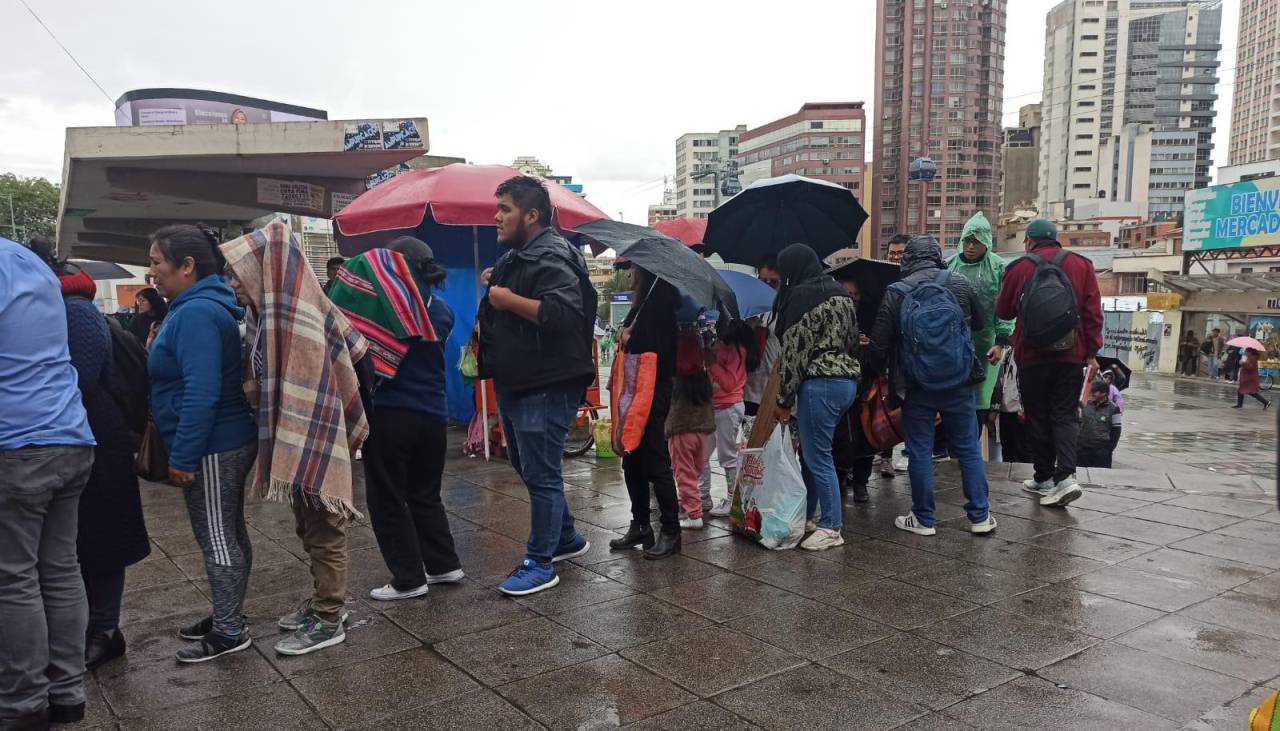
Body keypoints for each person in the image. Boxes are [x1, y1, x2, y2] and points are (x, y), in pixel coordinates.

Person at [221, 222, 371, 656]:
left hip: (318, 434)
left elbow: (326, 383)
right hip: (298, 435)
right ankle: (324, 600)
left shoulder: (298, 313)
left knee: (325, 528)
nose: (233, 282)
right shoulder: (265, 316)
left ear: (265, 271)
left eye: (239, 272)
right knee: (308, 524)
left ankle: (330, 616)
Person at [478, 175, 595, 596]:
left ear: (531, 215)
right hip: (519, 379)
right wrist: (498, 285)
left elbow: (562, 314)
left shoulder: (552, 253)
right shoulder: (520, 255)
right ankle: (565, 537)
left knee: (542, 473)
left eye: (505, 209)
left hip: (546, 381)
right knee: (526, 466)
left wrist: (506, 299)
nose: (497, 217)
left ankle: (540, 562)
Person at [34, 254, 151, 673]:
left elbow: (79, 379)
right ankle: (90, 627)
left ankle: (105, 629)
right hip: (76, 433)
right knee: (79, 542)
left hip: (98, 438)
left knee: (104, 539)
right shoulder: (54, 309)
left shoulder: (77, 310)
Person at [147, 224, 258, 663]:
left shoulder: (194, 314)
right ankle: (228, 614)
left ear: (187, 266)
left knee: (216, 535)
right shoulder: (202, 305)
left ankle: (230, 630)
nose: (151, 271)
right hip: (223, 438)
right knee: (228, 530)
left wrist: (184, 456)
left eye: (157, 262)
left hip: (213, 443)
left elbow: (201, 391)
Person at [0, 239, 96, 729]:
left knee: (12, 577)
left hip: (15, 444)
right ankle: (67, 693)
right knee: (59, 568)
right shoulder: (29, 262)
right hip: (69, 433)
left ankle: (21, 705)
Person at [866, 235, 995, 537]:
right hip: (959, 380)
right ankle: (980, 516)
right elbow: (978, 323)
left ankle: (924, 518)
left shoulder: (896, 291)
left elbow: (878, 345)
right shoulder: (959, 283)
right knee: (967, 448)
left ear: (908, 258)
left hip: (916, 384)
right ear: (937, 256)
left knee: (920, 449)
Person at [995, 219, 1103, 508]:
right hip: (1071, 354)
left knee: (1037, 414)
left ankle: (1045, 475)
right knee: (1065, 414)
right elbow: (1093, 313)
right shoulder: (1081, 265)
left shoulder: (1019, 267)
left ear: (1029, 241)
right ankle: (1064, 476)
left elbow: (1003, 310)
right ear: (1056, 240)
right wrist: (1092, 350)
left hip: (1031, 356)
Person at [772, 244, 860, 551]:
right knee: (814, 456)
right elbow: (852, 339)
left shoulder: (801, 296)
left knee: (818, 458)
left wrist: (783, 401)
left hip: (819, 383)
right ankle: (809, 516)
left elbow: (795, 354)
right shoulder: (839, 292)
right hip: (846, 383)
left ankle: (831, 526)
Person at [608, 263, 684, 555]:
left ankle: (670, 530)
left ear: (647, 275)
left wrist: (630, 337)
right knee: (632, 457)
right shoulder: (642, 306)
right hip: (636, 391)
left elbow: (656, 349)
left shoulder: (659, 305)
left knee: (655, 457)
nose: (630, 276)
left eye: (634, 271)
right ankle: (640, 523)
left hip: (654, 390)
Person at [946, 212, 1015, 447]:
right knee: (950, 394)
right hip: (951, 343)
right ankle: (949, 447)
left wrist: (1000, 342)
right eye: (967, 240)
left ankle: (968, 448)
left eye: (976, 242)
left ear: (986, 242)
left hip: (986, 344)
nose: (970, 246)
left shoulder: (998, 268)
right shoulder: (949, 265)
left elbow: (1006, 309)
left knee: (978, 397)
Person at [699, 319, 756, 517]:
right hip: (717, 407)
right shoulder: (725, 347)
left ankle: (732, 499)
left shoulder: (737, 351)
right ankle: (702, 497)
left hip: (728, 408)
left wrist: (712, 363)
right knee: (702, 454)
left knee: (727, 456)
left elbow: (729, 383)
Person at [667, 328, 716, 529]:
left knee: (683, 473)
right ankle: (685, 504)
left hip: (680, 431)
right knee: (694, 471)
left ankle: (694, 515)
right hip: (702, 432)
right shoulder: (703, 378)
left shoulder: (675, 379)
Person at [991, 349, 1030, 463]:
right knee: (1008, 453)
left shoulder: (1030, 348)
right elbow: (1000, 380)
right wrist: (995, 407)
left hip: (1023, 411)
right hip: (1006, 409)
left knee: (1025, 453)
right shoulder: (1008, 351)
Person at [1077, 381, 1121, 468]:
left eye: (1094, 392)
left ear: (1104, 393)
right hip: (1082, 450)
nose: (1092, 394)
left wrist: (1109, 449)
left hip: (1102, 452)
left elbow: (1117, 431)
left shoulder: (1114, 409)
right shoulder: (1085, 404)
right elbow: (1077, 423)